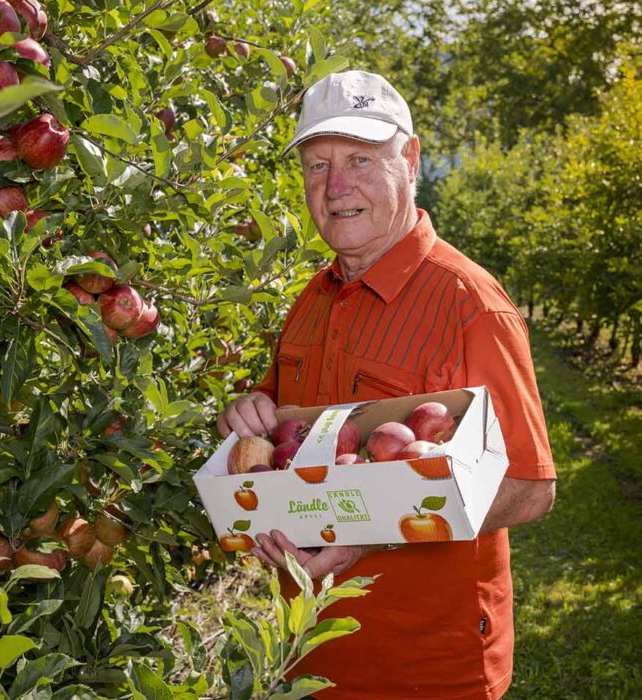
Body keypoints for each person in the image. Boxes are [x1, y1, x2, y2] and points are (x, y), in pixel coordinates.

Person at [217, 70, 556, 700]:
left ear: (411, 159)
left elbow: (530, 489)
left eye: (361, 159)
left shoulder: (469, 306)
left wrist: (367, 534)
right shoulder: (312, 301)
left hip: (427, 669)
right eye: (317, 165)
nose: (337, 185)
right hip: (306, 656)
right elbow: (278, 429)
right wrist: (246, 416)